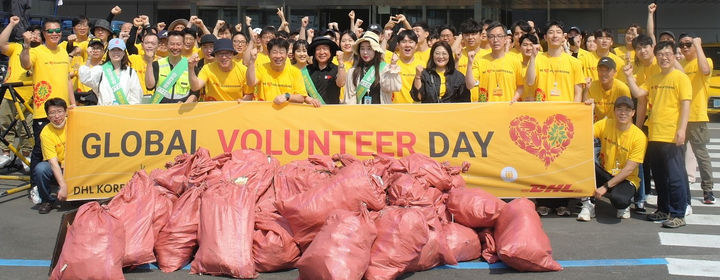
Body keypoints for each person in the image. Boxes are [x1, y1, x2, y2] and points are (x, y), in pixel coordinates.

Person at [624, 40, 691, 228]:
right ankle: (663, 209)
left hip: (672, 135)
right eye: (660, 54)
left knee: (675, 176)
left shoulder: (680, 77)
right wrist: (629, 77)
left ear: (674, 55)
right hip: (654, 134)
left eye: (668, 53)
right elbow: (638, 93)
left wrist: (682, 129)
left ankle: (678, 214)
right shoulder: (654, 78)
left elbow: (686, 105)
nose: (664, 57)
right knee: (659, 176)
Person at [20, 19, 75, 188]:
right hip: (44, 112)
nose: (55, 33)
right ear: (44, 34)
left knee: (68, 148)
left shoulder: (64, 53)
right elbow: (25, 63)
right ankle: (35, 187)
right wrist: (26, 46)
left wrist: (73, 104)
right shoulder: (37, 52)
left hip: (64, 111)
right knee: (39, 151)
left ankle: (60, 184)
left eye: (57, 30)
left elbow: (67, 81)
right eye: (50, 31)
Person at [578, 96, 647, 221]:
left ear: (633, 113)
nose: (622, 113)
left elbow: (629, 170)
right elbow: (585, 133)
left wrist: (606, 187)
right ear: (614, 111)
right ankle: (588, 205)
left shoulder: (639, 137)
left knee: (619, 200)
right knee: (583, 164)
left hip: (626, 178)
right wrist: (588, 111)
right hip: (605, 172)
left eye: (627, 110)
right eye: (619, 109)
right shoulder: (605, 124)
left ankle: (623, 205)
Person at [678, 33, 715, 204]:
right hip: (681, 118)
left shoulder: (704, 60)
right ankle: (681, 186)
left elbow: (705, 70)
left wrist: (699, 45)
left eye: (688, 44)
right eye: (682, 45)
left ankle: (708, 190)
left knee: (701, 155)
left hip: (698, 116)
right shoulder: (682, 64)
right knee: (678, 155)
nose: (685, 47)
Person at [0, 16, 35, 170]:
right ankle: (5, 153)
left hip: (30, 97)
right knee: (4, 123)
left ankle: (26, 155)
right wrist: (12, 24)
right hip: (10, 93)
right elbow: (1, 44)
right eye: (31, 33)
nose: (33, 36)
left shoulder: (42, 51)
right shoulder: (16, 47)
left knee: (27, 128)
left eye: (37, 35)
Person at [246, 38, 321, 107]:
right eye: (274, 52)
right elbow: (251, 83)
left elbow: (301, 97)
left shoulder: (295, 72)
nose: (278, 56)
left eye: (282, 52)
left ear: (286, 54)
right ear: (268, 54)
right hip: (265, 114)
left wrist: (287, 96)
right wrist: (252, 61)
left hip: (285, 117)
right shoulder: (262, 68)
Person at [525, 20, 584, 102]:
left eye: (558, 32)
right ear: (545, 37)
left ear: (564, 37)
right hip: (542, 111)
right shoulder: (536, 59)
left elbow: (578, 94)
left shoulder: (575, 63)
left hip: (565, 112)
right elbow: (530, 82)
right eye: (551, 32)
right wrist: (532, 57)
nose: (555, 35)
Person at [465, 22, 524, 102]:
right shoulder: (479, 61)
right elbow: (470, 85)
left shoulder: (515, 60)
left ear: (506, 38)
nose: (496, 40)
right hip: (486, 109)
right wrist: (469, 64)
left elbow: (521, 85)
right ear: (488, 39)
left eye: (499, 36)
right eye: (492, 37)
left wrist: (515, 98)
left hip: (508, 107)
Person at [78, 38, 142, 105]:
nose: (116, 52)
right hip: (104, 112)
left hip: (124, 112)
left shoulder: (130, 72)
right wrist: (89, 58)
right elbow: (85, 79)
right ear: (108, 52)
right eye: (113, 50)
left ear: (124, 53)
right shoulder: (100, 70)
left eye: (119, 50)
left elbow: (136, 96)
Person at [344, 31, 401, 104]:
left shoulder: (385, 68)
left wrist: (393, 66)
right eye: (362, 48)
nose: (365, 52)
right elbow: (350, 98)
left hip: (381, 112)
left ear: (376, 50)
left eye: (369, 48)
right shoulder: (353, 71)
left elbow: (393, 87)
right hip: (360, 113)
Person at [189, 38, 254, 101]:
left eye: (227, 53)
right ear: (215, 55)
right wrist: (191, 68)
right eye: (220, 54)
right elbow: (195, 87)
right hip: (214, 109)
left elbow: (249, 94)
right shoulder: (207, 68)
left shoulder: (243, 70)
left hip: (235, 109)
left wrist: (242, 101)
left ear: (232, 54)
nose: (224, 57)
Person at [34, 98, 68, 214]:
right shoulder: (46, 132)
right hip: (58, 165)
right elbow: (53, 163)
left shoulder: (75, 122)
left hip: (75, 164)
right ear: (47, 116)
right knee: (40, 169)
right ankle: (47, 200)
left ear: (66, 112)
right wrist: (62, 185)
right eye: (52, 113)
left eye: (59, 111)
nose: (57, 116)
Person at [145, 30, 198, 103]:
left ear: (183, 45)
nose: (175, 47)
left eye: (178, 44)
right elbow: (149, 86)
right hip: (161, 109)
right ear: (167, 45)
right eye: (172, 44)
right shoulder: (157, 64)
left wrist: (186, 104)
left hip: (182, 110)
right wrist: (149, 61)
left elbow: (195, 91)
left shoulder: (190, 65)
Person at [584, 57, 631, 122]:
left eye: (607, 70)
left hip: (617, 125)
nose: (603, 73)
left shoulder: (622, 89)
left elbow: (628, 114)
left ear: (615, 72)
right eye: (601, 70)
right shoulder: (591, 86)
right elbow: (585, 110)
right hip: (597, 126)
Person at [303, 36, 347, 104]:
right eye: (318, 49)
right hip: (310, 111)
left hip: (331, 112)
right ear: (314, 53)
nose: (321, 52)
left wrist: (341, 62)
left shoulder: (337, 69)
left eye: (325, 49)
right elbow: (301, 93)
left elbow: (341, 83)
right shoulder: (306, 70)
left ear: (330, 52)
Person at [456, 19, 489, 102]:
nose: (470, 37)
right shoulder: (457, 55)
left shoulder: (488, 55)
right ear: (462, 36)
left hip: (484, 101)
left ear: (481, 35)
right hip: (461, 100)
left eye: (473, 34)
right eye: (467, 34)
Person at [392, 30, 424, 104]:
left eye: (411, 42)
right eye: (403, 42)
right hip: (394, 109)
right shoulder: (391, 61)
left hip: (415, 109)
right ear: (398, 45)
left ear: (416, 46)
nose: (407, 45)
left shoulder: (422, 65)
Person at [128, 33, 159, 97]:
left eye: (153, 43)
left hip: (155, 100)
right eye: (147, 43)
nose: (149, 46)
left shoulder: (162, 62)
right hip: (136, 99)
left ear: (158, 46)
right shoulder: (132, 59)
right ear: (142, 45)